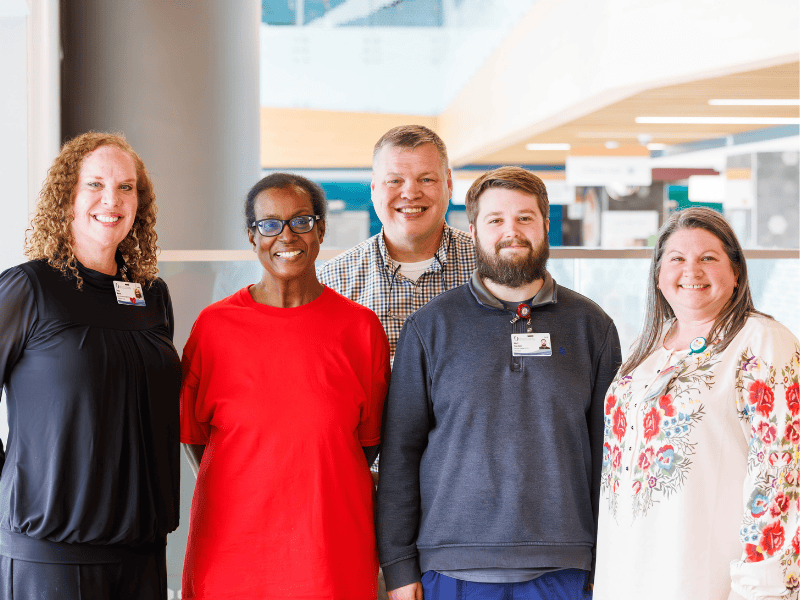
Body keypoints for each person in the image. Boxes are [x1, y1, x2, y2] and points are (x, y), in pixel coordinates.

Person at [376, 166, 622, 600]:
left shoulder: (592, 327)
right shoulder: (430, 328)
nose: (512, 231)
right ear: (473, 230)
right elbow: (400, 455)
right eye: (496, 220)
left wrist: (609, 562)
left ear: (546, 225)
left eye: (525, 218)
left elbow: (611, 458)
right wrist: (398, 568)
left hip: (564, 565)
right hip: (451, 567)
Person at [180, 173, 391, 600]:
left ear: (321, 230)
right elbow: (195, 438)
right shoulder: (214, 328)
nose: (286, 236)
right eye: (270, 224)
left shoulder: (360, 329)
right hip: (233, 552)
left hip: (331, 553)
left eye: (301, 221)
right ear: (252, 235)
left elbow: (365, 444)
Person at [0, 132, 181, 600]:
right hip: (53, 554)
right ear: (67, 197)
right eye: (95, 184)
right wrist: (12, 489)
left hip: (143, 553)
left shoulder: (151, 295)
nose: (112, 199)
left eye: (126, 187)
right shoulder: (29, 289)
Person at [593, 207, 800, 600]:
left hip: (708, 580)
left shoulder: (763, 342)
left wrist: (761, 587)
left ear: (736, 272)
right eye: (677, 259)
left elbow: (782, 473)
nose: (692, 271)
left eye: (708, 257)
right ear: (658, 275)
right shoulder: (646, 348)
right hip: (628, 574)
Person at [317, 125, 476, 361]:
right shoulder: (330, 282)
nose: (410, 193)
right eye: (394, 181)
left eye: (426, 179)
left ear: (449, 184)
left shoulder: (490, 267)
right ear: (373, 189)